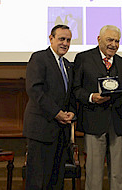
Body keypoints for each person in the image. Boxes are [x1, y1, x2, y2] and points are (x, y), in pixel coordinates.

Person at [73, 25, 122, 190]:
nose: (113, 44)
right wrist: (91, 97)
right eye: (110, 40)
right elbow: (75, 89)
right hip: (93, 122)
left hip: (118, 124)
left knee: (118, 173)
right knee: (94, 172)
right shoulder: (83, 59)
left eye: (117, 41)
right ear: (99, 39)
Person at [23, 24, 76, 189]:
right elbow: (35, 90)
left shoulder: (68, 65)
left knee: (56, 181)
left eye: (68, 40)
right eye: (61, 39)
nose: (65, 43)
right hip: (41, 131)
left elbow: (71, 94)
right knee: (38, 181)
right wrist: (57, 113)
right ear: (51, 39)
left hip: (61, 133)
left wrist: (72, 113)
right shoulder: (39, 58)